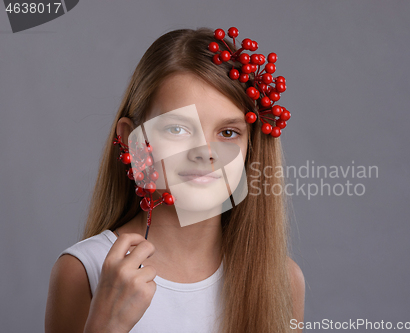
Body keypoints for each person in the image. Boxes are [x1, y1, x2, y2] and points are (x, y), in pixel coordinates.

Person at [45, 27, 305, 333]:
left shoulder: (283, 281)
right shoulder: (83, 271)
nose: (205, 153)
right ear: (133, 141)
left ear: (250, 149)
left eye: (228, 132)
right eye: (177, 129)